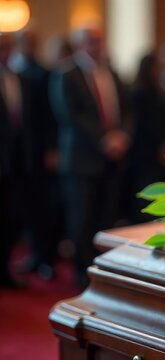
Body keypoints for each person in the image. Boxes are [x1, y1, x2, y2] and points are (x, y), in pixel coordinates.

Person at [58, 25, 132, 287]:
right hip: (82, 159)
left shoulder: (111, 72)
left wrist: (122, 135)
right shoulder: (67, 74)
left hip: (112, 159)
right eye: (90, 41)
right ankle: (82, 274)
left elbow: (126, 110)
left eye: (99, 40)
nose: (96, 45)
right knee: (82, 219)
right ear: (79, 44)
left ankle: (102, 272)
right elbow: (71, 116)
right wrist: (104, 138)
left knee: (106, 217)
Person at [11, 28, 60, 279]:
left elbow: (47, 117)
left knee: (42, 208)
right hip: (13, 158)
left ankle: (43, 257)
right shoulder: (15, 73)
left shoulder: (41, 73)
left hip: (36, 155)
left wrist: (51, 149)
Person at [129, 52, 165, 222]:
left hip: (157, 151)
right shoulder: (139, 93)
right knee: (147, 194)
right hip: (146, 153)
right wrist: (163, 144)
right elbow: (144, 125)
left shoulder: (156, 90)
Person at [0, 33, 28, 287]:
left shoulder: (17, 77)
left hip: (16, 162)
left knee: (10, 217)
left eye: (8, 47)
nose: (5, 52)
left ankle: (5, 271)